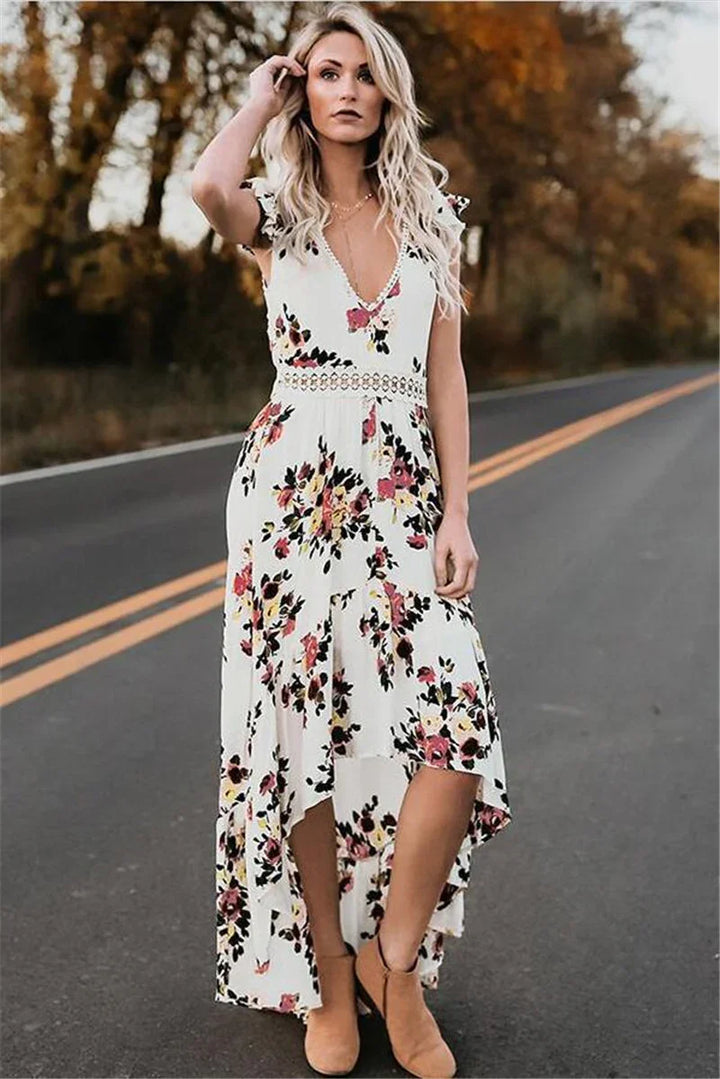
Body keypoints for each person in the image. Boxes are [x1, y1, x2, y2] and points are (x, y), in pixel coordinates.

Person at [191, 3, 512, 1076]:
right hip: (290, 496)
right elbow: (203, 188)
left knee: (451, 730)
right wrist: (256, 99)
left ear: (388, 97)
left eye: (363, 75)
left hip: (405, 497)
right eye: (325, 72)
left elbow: (446, 374)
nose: (345, 90)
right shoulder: (274, 214)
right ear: (305, 88)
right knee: (301, 742)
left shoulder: (431, 216)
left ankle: (395, 957)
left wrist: (459, 511)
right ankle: (328, 971)